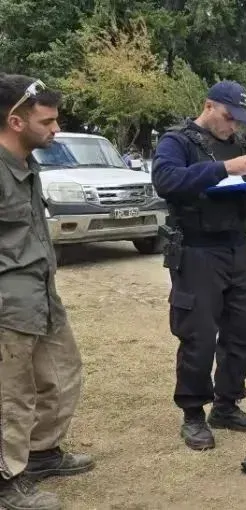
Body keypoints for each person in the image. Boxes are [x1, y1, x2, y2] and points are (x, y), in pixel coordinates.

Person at [152, 80, 246, 451]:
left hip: (236, 247)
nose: (233, 125)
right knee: (199, 336)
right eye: (228, 116)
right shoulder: (177, 142)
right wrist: (223, 168)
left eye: (238, 120)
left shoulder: (236, 145)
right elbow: (166, 181)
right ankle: (193, 413)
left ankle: (226, 404)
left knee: (245, 333)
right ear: (208, 106)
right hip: (197, 250)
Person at [0, 74, 93, 510]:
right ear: (16, 122)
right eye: (48, 121)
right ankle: (5, 481)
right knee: (11, 394)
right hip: (8, 303)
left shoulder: (26, 164)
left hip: (41, 292)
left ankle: (41, 452)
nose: (56, 129)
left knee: (61, 372)